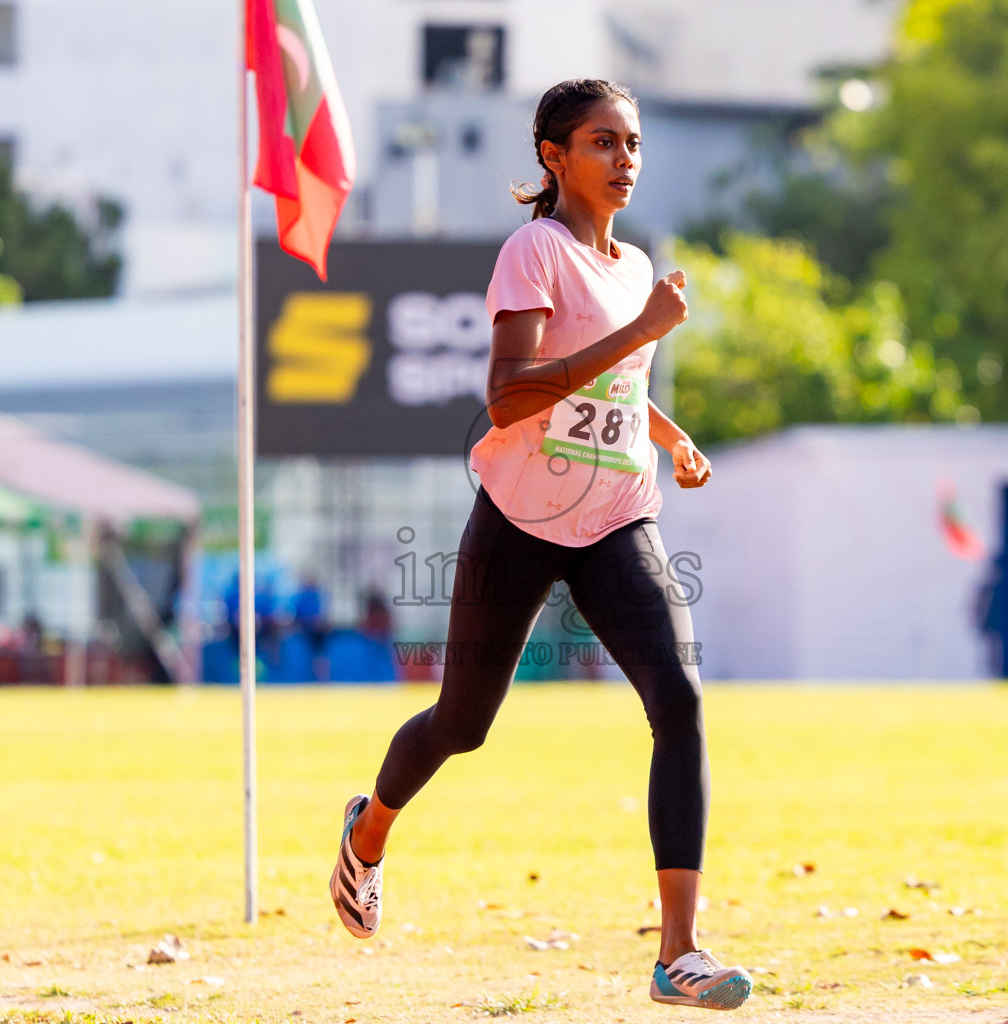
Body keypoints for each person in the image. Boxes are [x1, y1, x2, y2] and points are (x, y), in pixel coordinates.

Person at [328, 79, 750, 1011]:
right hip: (520, 516)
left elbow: (619, 383)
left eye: (632, 143)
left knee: (678, 698)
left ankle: (678, 953)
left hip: (615, 516)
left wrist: (669, 435)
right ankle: (368, 833)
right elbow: (512, 394)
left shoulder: (637, 267)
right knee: (462, 725)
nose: (625, 159)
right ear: (555, 156)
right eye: (604, 142)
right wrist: (642, 331)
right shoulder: (534, 252)